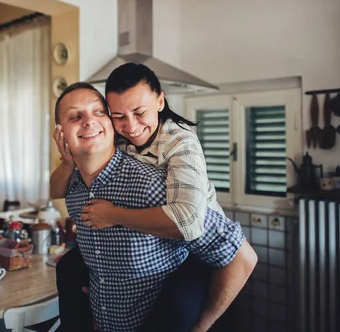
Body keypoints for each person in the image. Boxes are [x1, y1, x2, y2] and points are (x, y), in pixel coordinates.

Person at [51, 63, 249, 331]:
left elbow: (193, 226)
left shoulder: (178, 147)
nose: (130, 126)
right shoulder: (90, 168)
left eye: (139, 112)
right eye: (117, 115)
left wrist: (115, 215)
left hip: (195, 249)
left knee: (178, 304)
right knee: (69, 266)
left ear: (160, 101)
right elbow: (56, 191)